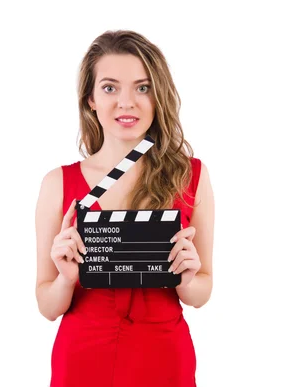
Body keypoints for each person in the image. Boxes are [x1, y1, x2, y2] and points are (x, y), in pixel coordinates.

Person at [35, 30, 214, 387]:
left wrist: (188, 277)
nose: (127, 102)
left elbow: (202, 293)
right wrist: (66, 279)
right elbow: (47, 304)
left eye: (142, 87)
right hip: (82, 354)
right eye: (110, 87)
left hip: (164, 353)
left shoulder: (191, 176)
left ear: (158, 96)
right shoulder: (57, 183)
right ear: (91, 99)